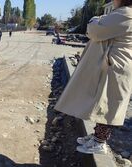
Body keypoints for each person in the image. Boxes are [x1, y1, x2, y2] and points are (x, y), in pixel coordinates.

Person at [55, 0, 132, 155]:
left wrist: (94, 20)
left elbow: (95, 31)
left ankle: (99, 143)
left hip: (115, 67)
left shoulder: (126, 14)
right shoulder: (123, 13)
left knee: (107, 105)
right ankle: (97, 137)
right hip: (114, 66)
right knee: (102, 102)